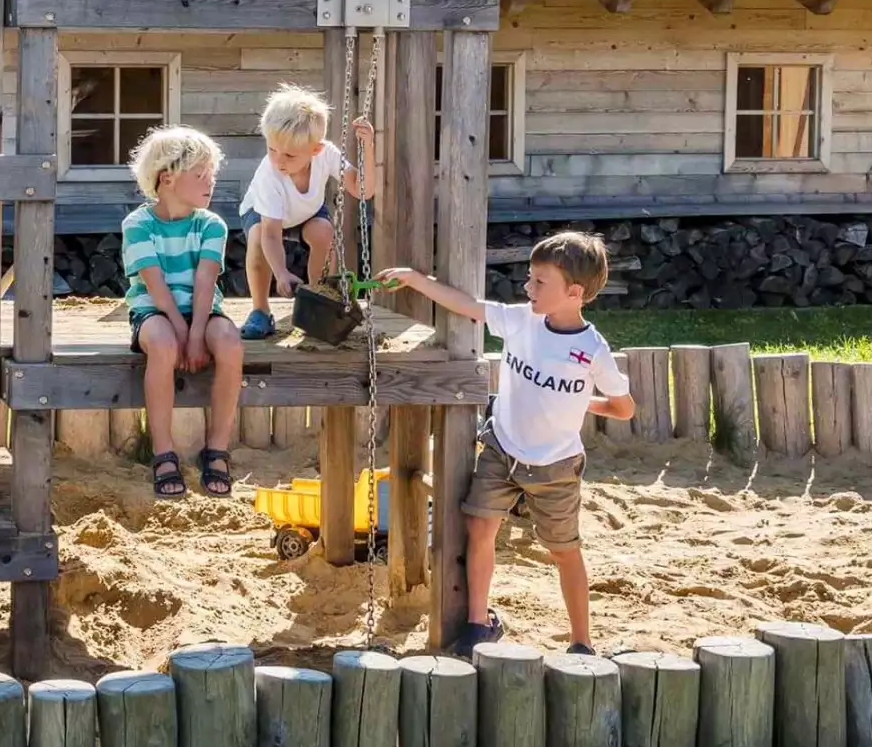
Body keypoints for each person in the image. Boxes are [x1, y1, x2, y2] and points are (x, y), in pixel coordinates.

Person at [377, 229, 634, 654]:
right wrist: (415, 280)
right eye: (529, 278)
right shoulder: (520, 320)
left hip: (555, 467)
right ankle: (479, 622)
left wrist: (581, 403)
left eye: (539, 282)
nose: (527, 287)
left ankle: (582, 641)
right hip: (501, 448)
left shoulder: (592, 349)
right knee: (479, 527)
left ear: (574, 292)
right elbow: (468, 306)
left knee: (562, 550)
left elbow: (624, 408)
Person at [122, 125, 245, 498]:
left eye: (213, 174)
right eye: (200, 174)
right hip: (156, 311)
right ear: (167, 177)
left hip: (202, 311)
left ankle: (218, 449)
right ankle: (163, 451)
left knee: (230, 343)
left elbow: (207, 281)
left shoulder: (211, 225)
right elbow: (155, 286)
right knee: (161, 342)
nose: (211, 183)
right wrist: (178, 330)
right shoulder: (138, 224)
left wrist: (195, 335)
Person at [235, 85, 374, 339]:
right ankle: (260, 310)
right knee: (256, 238)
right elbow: (271, 236)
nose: (279, 160)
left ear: (315, 150)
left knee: (324, 233)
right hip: (264, 216)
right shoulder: (270, 175)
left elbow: (363, 190)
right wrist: (282, 273)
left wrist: (368, 147)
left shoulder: (326, 155)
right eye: (272, 150)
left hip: (306, 211)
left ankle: (318, 300)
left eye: (289, 154)